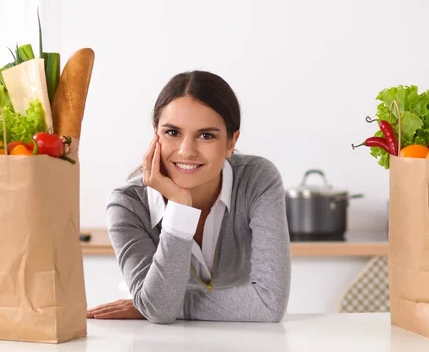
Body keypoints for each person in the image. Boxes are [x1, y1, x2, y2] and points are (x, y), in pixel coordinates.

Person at [86, 70, 291, 323]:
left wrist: (156, 304)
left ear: (231, 142)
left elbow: (268, 305)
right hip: (156, 348)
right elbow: (160, 312)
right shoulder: (127, 204)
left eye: (206, 136)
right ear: (155, 133)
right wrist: (180, 209)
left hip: (245, 346)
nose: (186, 151)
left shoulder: (257, 179)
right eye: (172, 132)